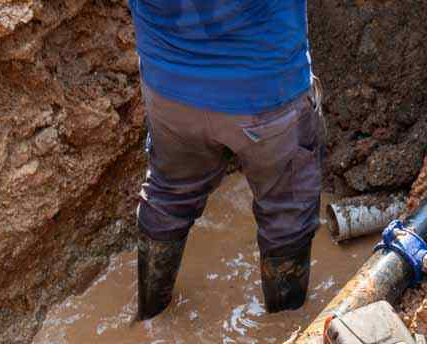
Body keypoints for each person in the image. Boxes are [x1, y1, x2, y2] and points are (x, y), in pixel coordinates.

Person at [128, 0, 323, 319]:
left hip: (169, 91)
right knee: (287, 213)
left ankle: (149, 318)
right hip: (267, 93)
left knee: (168, 195)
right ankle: (282, 337)